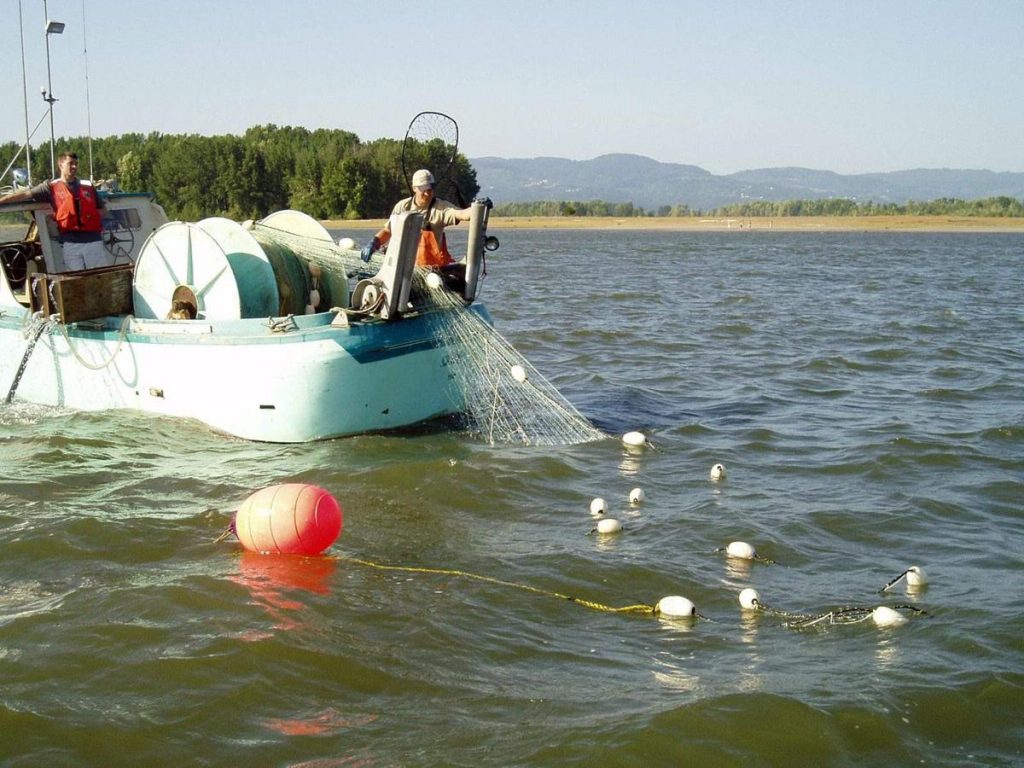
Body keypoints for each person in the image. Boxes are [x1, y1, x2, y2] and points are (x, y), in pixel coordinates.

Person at [0, 152, 111, 271]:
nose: (74, 167)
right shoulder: (50, 187)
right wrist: (3, 200)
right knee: (74, 279)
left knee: (98, 277)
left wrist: (86, 216)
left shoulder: (87, 186)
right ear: (61, 165)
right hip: (70, 244)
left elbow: (103, 211)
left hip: (93, 242)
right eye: (71, 163)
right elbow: (25, 195)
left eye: (76, 164)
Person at [360, 169, 474, 267]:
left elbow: (462, 214)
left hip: (430, 270)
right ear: (414, 188)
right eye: (423, 189)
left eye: (430, 189)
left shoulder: (441, 207)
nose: (427, 193)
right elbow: (388, 231)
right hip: (401, 266)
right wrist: (373, 244)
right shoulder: (402, 206)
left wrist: (478, 208)